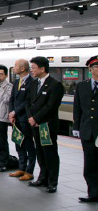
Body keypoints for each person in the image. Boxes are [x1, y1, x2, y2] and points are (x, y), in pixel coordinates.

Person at [26, 56, 64, 193]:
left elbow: (51, 106)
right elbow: (28, 102)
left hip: (47, 125)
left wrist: (36, 118)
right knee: (40, 152)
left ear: (42, 68)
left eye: (34, 67)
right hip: (35, 124)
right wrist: (30, 117)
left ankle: (52, 181)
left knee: (50, 153)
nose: (31, 70)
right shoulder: (34, 84)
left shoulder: (55, 85)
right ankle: (42, 177)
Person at [73, 55, 98, 202]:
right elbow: (77, 109)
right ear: (90, 69)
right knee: (89, 165)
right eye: (96, 67)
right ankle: (93, 193)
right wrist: (76, 127)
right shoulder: (82, 86)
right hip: (87, 132)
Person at [8, 59, 36, 181]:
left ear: (23, 68)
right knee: (19, 143)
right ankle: (21, 167)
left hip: (25, 118)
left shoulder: (32, 82)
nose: (13, 68)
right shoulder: (17, 81)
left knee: (29, 144)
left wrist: (15, 112)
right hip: (16, 118)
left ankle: (29, 171)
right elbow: (12, 98)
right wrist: (11, 112)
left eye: (15, 66)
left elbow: (27, 102)